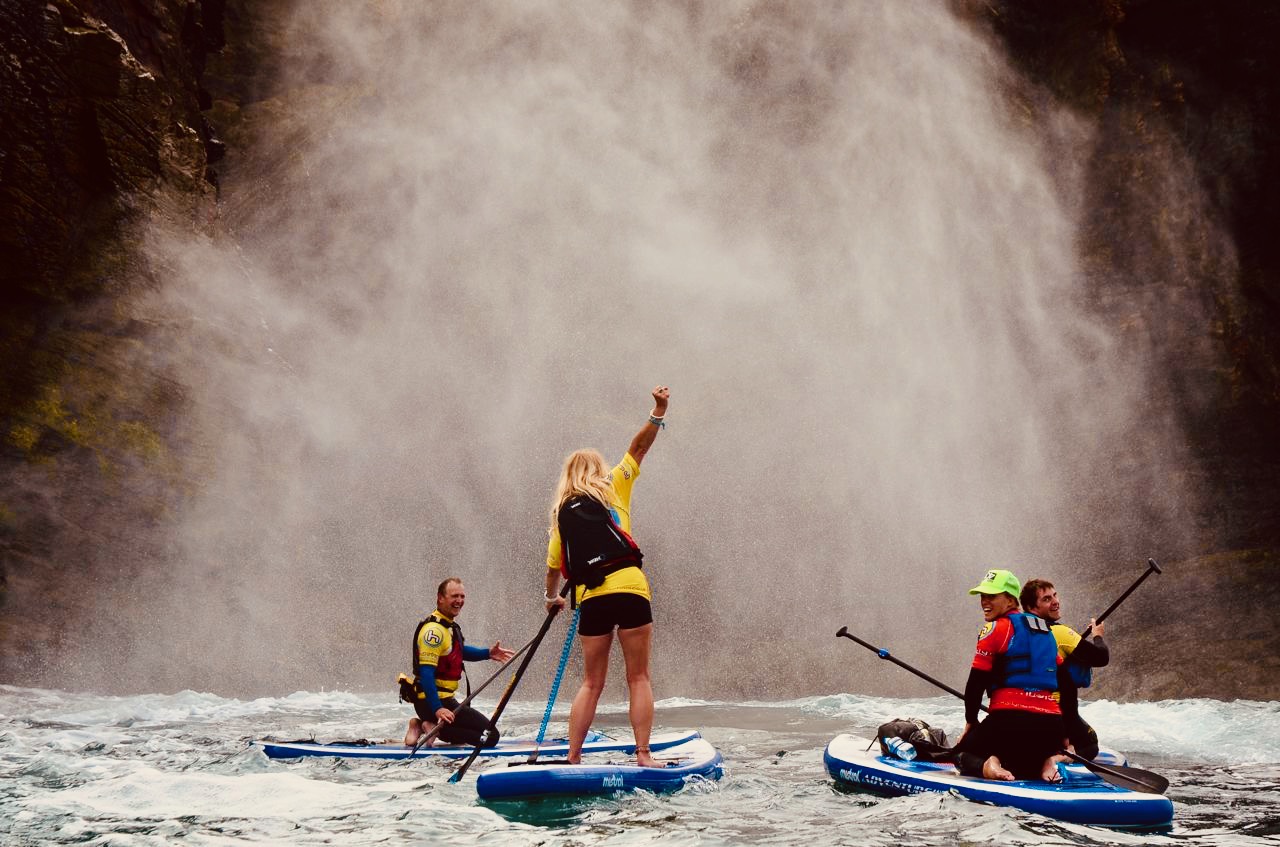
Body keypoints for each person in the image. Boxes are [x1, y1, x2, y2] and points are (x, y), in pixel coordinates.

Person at [544, 385, 669, 767]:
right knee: (639, 678)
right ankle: (644, 756)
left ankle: (573, 757)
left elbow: (553, 569)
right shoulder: (614, 485)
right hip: (630, 586)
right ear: (598, 470)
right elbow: (639, 448)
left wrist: (553, 599)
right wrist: (658, 411)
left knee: (591, 683)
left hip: (593, 596)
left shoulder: (561, 515)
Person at [951, 569, 1069, 782]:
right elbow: (1067, 683)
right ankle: (1048, 761)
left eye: (992, 596)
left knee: (960, 754)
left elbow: (976, 683)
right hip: (1051, 726)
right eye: (982, 596)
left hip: (1009, 724)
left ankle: (990, 765)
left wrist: (971, 721)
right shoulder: (1046, 631)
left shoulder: (995, 629)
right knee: (1025, 756)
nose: (985, 601)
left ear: (1010, 600)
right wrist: (1065, 732)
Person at [401, 577, 515, 747]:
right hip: (432, 702)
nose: (459, 601)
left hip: (445, 700)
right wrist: (438, 709)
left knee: (467, 736)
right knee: (490, 737)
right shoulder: (434, 632)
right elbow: (426, 673)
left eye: (462, 596)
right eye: (454, 596)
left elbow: (457, 652)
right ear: (440, 598)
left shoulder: (447, 626)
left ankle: (423, 725)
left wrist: (488, 653)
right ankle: (432, 727)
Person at [1020, 578, 1109, 760]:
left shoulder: (1015, 632)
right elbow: (1101, 657)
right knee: (1091, 743)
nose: (1055, 602)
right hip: (1055, 713)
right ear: (1031, 608)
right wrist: (1098, 636)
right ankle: (1063, 756)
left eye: (1055, 595)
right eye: (1046, 599)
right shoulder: (1058, 633)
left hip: (1021, 710)